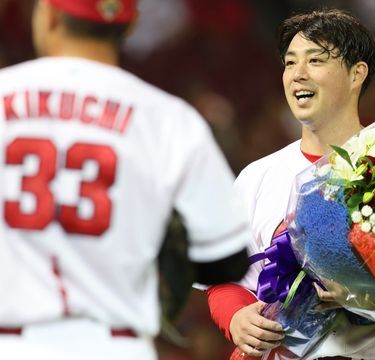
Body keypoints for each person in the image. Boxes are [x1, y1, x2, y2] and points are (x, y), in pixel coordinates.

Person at [0, 1, 250, 359]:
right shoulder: (167, 119)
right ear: (130, 24)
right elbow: (225, 262)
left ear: (49, 17)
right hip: (115, 344)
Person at [206, 9, 375, 359]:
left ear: (357, 73)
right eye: (290, 63)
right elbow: (226, 278)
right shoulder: (257, 177)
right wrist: (236, 317)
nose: (298, 74)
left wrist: (365, 294)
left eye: (315, 61)